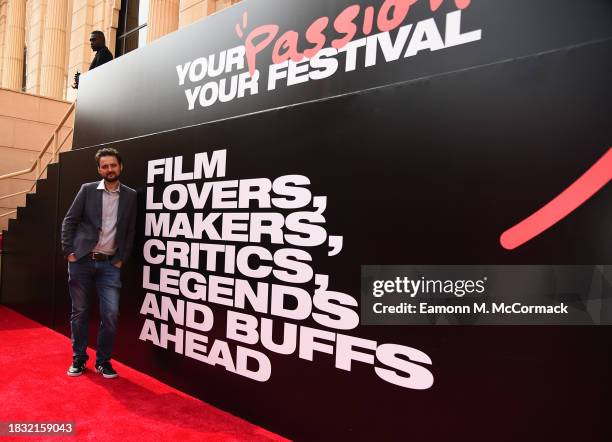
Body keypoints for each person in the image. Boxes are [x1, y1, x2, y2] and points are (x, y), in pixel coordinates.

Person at [61, 148, 137, 378]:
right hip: (82, 260)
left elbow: (130, 229)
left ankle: (103, 361)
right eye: (104, 166)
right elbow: (69, 220)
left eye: (113, 165)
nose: (109, 169)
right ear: (99, 169)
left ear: (120, 167)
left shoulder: (131, 195)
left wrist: (121, 259)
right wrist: (69, 252)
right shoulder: (87, 190)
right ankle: (79, 358)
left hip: (110, 265)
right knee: (80, 312)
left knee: (111, 314)